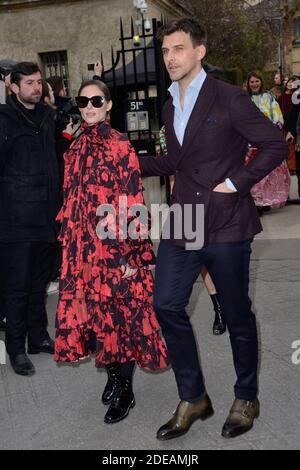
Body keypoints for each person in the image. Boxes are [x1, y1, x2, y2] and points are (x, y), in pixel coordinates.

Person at [138, 18, 288, 440]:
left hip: (225, 221)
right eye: (166, 50)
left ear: (199, 52)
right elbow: (175, 163)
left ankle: (246, 397)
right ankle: (194, 398)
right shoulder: (168, 104)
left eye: (178, 49)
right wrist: (127, 161)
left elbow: (274, 145)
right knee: (166, 303)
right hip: (184, 219)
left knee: (237, 313)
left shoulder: (230, 98)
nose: (170, 57)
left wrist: (235, 184)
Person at [54, 79, 168, 424]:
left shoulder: (120, 146)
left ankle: (125, 390)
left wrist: (133, 253)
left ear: (108, 105)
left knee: (120, 317)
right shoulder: (74, 147)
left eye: (96, 100)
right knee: (93, 314)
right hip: (81, 249)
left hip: (113, 247)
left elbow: (133, 200)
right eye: (83, 100)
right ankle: (114, 378)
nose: (88, 106)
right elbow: (71, 200)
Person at [0, 62, 61, 376]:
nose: (36, 88)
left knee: (40, 284)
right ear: (14, 87)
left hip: (48, 217)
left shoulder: (48, 117)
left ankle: (39, 337)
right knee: (18, 288)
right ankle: (16, 348)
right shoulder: (4, 119)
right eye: (30, 83)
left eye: (39, 82)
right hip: (17, 221)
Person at [159, 125, 225, 335]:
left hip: (211, 199)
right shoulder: (166, 130)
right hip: (184, 204)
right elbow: (172, 171)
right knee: (192, 260)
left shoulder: (211, 123)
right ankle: (212, 307)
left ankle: (220, 306)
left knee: (208, 259)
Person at [246, 71, 290, 214]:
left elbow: (276, 113)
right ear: (248, 83)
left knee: (267, 172)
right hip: (249, 141)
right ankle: (255, 202)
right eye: (251, 81)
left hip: (267, 138)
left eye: (256, 81)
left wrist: (276, 125)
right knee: (252, 171)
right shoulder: (244, 98)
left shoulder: (268, 97)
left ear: (261, 82)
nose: (254, 84)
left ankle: (265, 200)